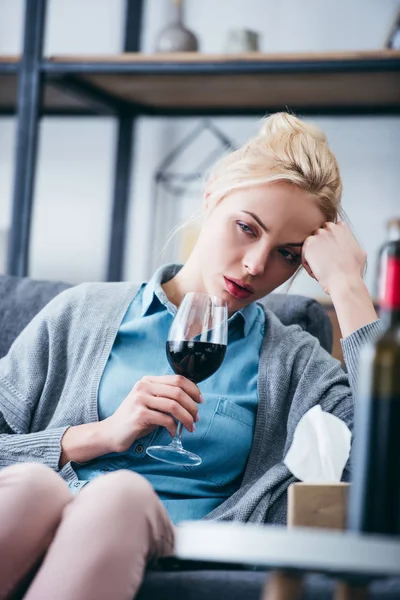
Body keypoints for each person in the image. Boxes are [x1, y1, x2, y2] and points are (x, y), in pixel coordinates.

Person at [0, 113, 380, 600]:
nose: (256, 265)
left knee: (119, 495)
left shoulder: (293, 362)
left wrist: (349, 289)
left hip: (177, 543)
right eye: (246, 227)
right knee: (33, 486)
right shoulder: (80, 313)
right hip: (44, 518)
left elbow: (386, 467)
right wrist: (95, 436)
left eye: (287, 254)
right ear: (212, 194)